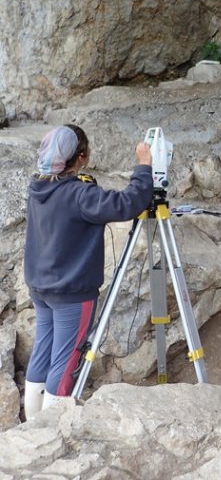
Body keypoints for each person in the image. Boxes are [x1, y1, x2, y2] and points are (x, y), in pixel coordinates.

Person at [23, 124, 153, 419]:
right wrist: (144, 167)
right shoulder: (80, 195)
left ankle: (32, 423)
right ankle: (51, 429)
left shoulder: (38, 187)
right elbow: (127, 204)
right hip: (71, 293)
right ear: (80, 157)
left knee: (44, 349)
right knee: (67, 358)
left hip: (41, 287)